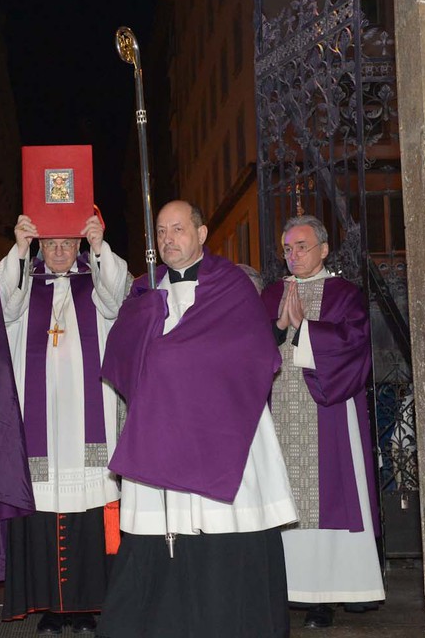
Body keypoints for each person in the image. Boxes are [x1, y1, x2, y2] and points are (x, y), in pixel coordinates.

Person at [96, 200, 298, 638]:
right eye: (161, 231)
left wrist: (176, 355)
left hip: (224, 428)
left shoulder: (232, 285)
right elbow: (120, 355)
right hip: (161, 429)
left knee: (224, 533)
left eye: (178, 229)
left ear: (202, 234)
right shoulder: (144, 291)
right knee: (158, 539)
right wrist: (149, 322)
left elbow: (254, 352)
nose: (168, 239)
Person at [0, 213, 129, 635]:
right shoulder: (24, 283)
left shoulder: (97, 282)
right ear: (39, 246)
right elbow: (2, 308)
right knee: (40, 514)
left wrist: (100, 247)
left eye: (68, 243)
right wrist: (18, 250)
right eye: (50, 243)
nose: (59, 251)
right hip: (36, 432)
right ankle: (50, 607)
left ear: (79, 245)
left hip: (91, 425)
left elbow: (119, 300)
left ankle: (87, 607)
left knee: (90, 514)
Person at [261, 215, 385, 629]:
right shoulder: (272, 294)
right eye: (287, 249)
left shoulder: (345, 294)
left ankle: (326, 597)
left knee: (329, 497)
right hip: (280, 412)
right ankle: (283, 591)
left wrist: (305, 329)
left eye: (302, 246)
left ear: (324, 249)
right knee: (284, 501)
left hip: (327, 411)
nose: (293, 255)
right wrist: (278, 326)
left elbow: (355, 346)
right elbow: (250, 346)